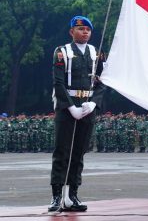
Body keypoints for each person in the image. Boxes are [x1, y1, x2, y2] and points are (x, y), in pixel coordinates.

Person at [49, 16, 107, 212]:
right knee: (62, 152)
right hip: (67, 108)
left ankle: (72, 194)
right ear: (71, 32)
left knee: (79, 153)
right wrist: (70, 107)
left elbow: (104, 81)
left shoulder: (97, 53)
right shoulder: (62, 52)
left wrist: (93, 103)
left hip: (87, 108)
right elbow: (58, 82)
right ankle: (57, 196)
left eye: (88, 30)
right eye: (80, 29)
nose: (85, 32)